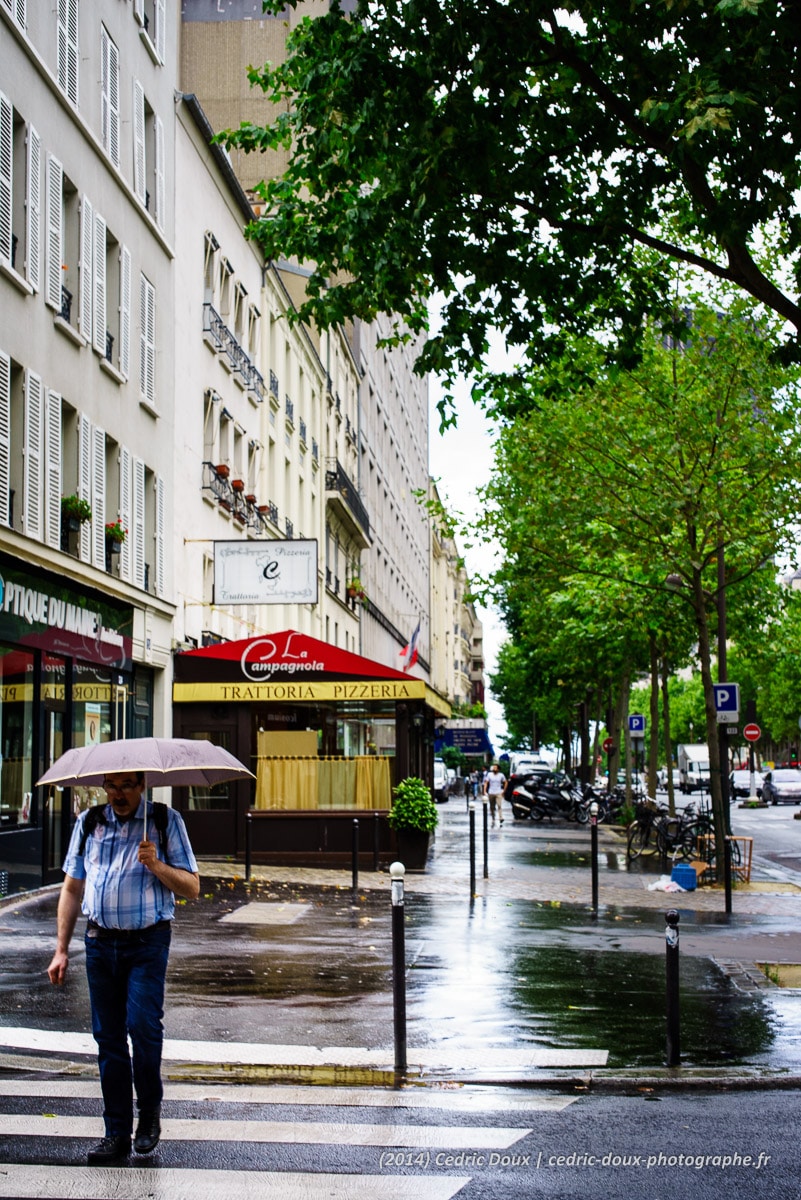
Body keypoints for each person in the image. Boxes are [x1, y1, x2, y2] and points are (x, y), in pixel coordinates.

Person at [47, 772, 199, 1166]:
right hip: (99, 942)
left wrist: (157, 865)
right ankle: (115, 1131)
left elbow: (192, 887)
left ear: (142, 787)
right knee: (108, 1039)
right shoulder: (89, 822)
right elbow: (72, 887)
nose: (118, 793)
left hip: (147, 942)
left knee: (143, 1027)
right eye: (111, 785)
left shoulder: (165, 821)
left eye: (127, 785)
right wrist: (60, 949)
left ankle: (148, 1115)